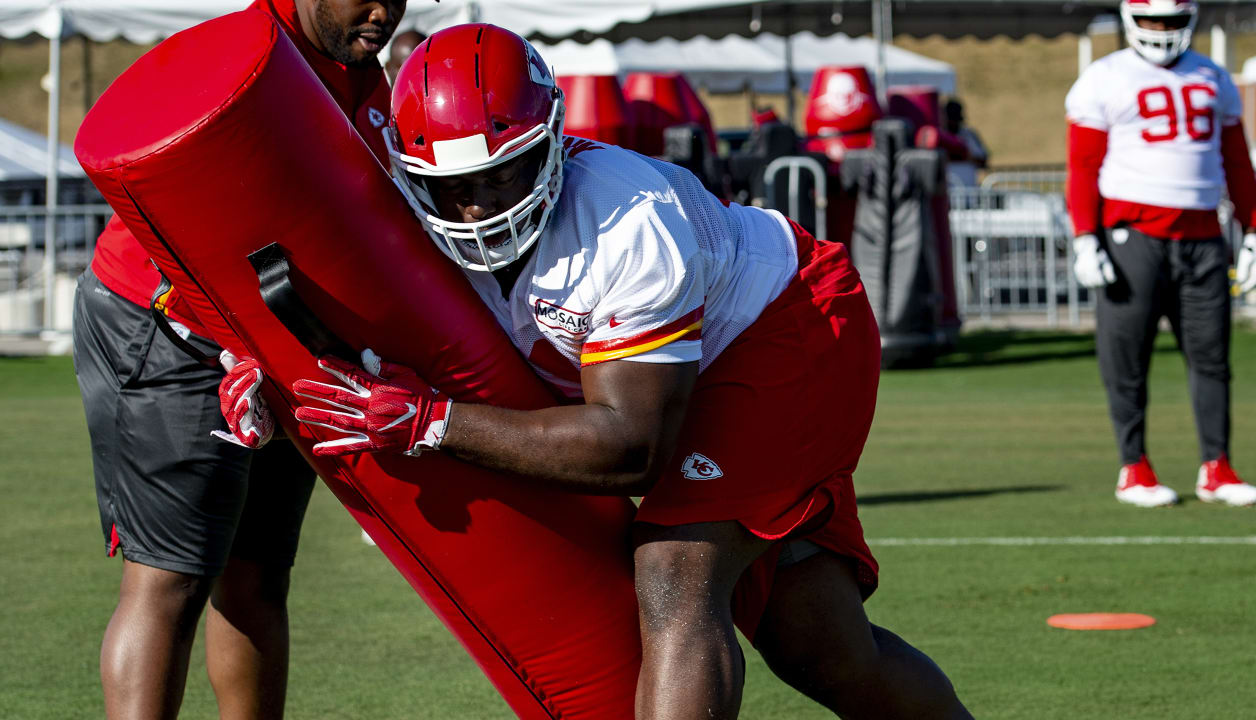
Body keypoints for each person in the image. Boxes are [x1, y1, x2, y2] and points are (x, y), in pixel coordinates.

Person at [224, 24, 970, 719]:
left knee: (675, 567)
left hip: (785, 328)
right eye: (454, 187)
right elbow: (318, 311)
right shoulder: (403, 213)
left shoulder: (628, 218)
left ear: (551, 142)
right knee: (822, 649)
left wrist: (433, 422)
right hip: (691, 367)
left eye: (503, 176)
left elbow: (630, 446)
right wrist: (267, 377)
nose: (480, 208)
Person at [71, 2, 404, 718]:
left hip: (279, 339)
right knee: (171, 577)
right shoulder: (247, 56)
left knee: (257, 575)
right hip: (171, 328)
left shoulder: (356, 66)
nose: (386, 10)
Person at [1065, 0, 1256, 508]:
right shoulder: (1104, 77)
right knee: (1127, 359)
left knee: (1212, 358)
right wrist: (1086, 236)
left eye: (1172, 20)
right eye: (1152, 19)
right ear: (1131, 19)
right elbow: (1083, 165)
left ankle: (1217, 467)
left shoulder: (1214, 76)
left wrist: (1254, 232)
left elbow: (1237, 160)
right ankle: (1134, 467)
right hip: (1133, 236)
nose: (1161, 31)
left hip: (1202, 238)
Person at [942, 98, 989, 190]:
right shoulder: (939, 136)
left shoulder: (969, 135)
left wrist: (965, 156)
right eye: (951, 119)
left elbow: (984, 160)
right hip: (947, 192)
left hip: (968, 191)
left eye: (955, 119)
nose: (953, 123)